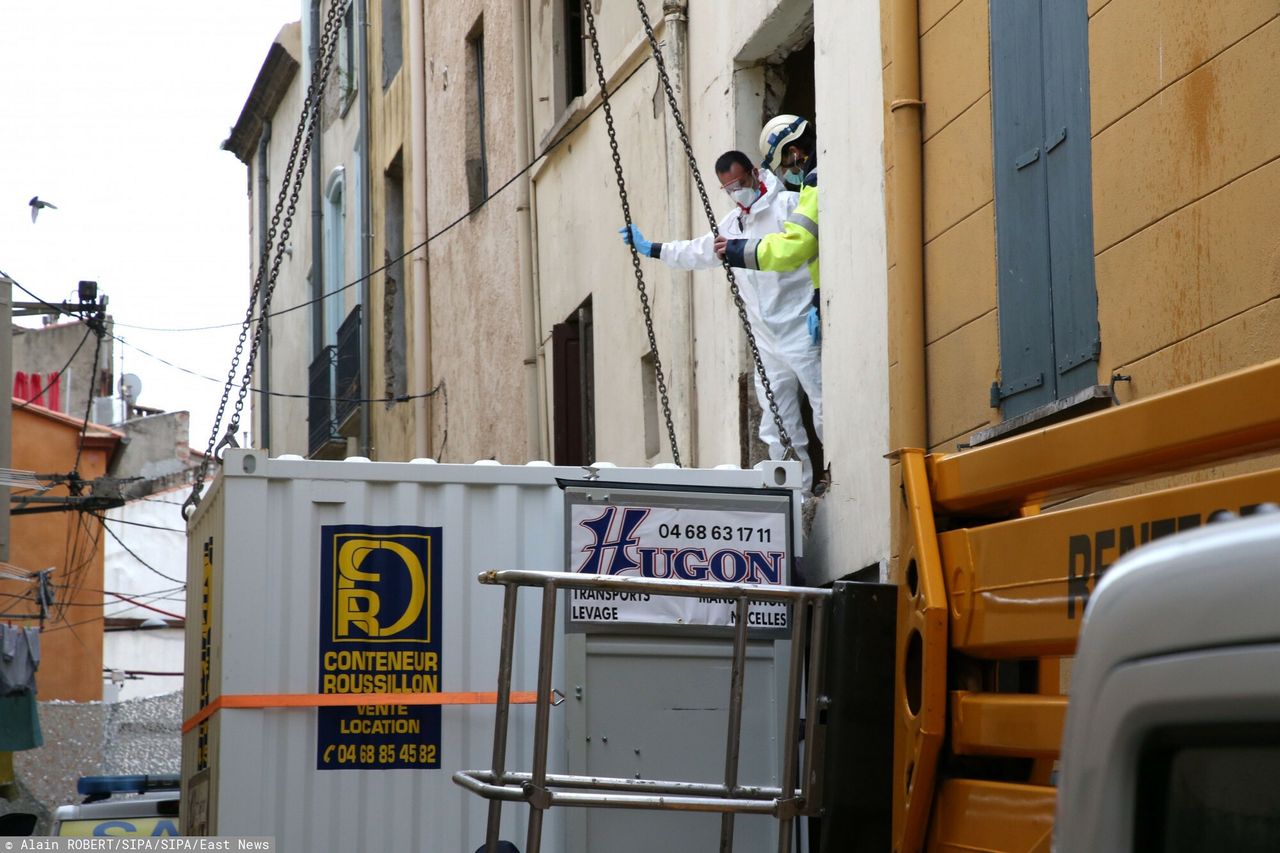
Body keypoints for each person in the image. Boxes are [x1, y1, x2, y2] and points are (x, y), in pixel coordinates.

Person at [619, 149, 823, 491]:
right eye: (728, 189)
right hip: (768, 342)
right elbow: (695, 251)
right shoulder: (731, 227)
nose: (736, 192)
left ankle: (838, 475)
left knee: (824, 405)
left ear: (755, 173)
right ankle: (796, 497)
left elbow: (810, 250)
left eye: (740, 183)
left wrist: (819, 299)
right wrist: (652, 248)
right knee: (777, 425)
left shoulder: (788, 206)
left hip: (800, 326)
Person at [715, 115, 820, 345]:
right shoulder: (819, 174)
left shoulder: (813, 184)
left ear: (794, 151)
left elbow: (797, 245)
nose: (786, 172)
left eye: (784, 165)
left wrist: (737, 250)